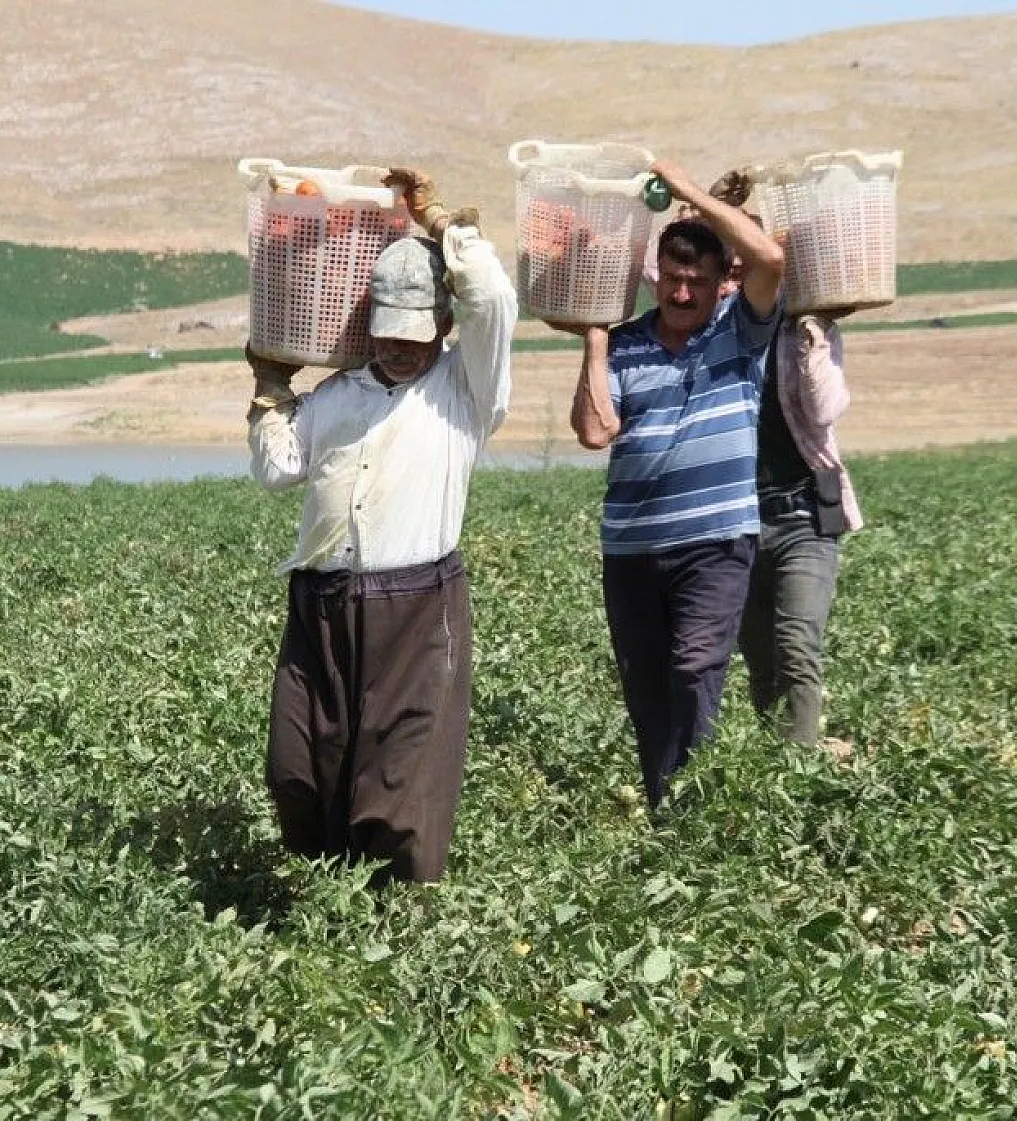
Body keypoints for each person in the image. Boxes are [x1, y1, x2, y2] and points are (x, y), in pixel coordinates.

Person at [244, 167, 517, 883]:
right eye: (388, 331)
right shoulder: (341, 394)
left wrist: (437, 220)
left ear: (444, 324)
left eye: (415, 333)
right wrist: (270, 386)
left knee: (397, 786)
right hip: (320, 604)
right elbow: (277, 468)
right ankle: (324, 905)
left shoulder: (465, 389)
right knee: (299, 768)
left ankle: (398, 921)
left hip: (415, 608)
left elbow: (492, 294)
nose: (399, 347)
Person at [559, 159, 785, 811]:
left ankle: (693, 811)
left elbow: (770, 259)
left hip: (714, 543)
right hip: (631, 549)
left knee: (693, 669)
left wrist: (688, 194)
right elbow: (595, 431)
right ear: (657, 277)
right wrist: (595, 344)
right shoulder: (625, 344)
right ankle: (668, 817)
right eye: (673, 281)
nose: (683, 295)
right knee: (647, 690)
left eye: (697, 283)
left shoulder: (740, 329)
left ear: (720, 283)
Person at [737, 302, 863, 747]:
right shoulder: (722, 330)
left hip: (804, 515)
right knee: (760, 656)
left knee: (796, 645)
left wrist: (814, 337)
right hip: (738, 519)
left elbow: (825, 410)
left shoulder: (804, 334)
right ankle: (776, 763)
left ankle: (799, 764)